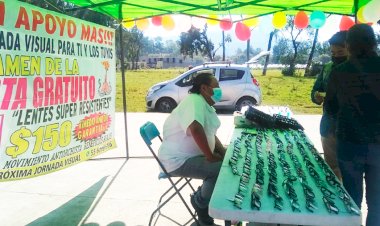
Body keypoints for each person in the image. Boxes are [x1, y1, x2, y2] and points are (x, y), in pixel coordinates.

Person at [324, 24, 380, 226]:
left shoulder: (339, 72)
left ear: (349, 45)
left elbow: (330, 108)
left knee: (352, 198)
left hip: (349, 143)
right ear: (374, 42)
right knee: (377, 202)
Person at [158, 72, 226, 225]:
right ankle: (200, 203)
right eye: (216, 86)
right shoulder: (195, 101)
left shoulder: (203, 104)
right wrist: (210, 156)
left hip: (189, 156)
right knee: (220, 170)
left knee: (227, 161)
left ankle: (204, 197)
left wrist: (222, 151)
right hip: (177, 160)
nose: (219, 90)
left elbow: (210, 134)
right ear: (204, 88)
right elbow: (195, 129)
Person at [311, 31, 348, 180]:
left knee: (349, 169)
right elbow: (315, 90)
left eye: (340, 51)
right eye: (333, 52)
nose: (336, 55)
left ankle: (350, 201)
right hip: (329, 125)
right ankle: (337, 199)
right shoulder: (327, 68)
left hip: (349, 128)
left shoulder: (357, 70)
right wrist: (316, 96)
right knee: (332, 167)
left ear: (350, 48)